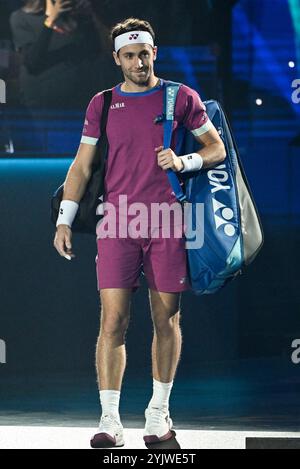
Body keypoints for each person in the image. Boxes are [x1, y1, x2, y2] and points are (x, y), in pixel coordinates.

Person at [53, 17, 226, 448]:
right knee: (113, 320)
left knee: (166, 319)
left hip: (167, 221)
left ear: (155, 52)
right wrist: (64, 219)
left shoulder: (180, 97)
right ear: (117, 59)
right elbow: (82, 165)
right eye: (129, 55)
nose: (138, 62)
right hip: (117, 222)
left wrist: (184, 163)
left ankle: (157, 416)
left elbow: (216, 148)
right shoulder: (103, 103)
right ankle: (109, 420)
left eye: (144, 53)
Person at [9, 0, 119, 109]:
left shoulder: (72, 14)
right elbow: (32, 62)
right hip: (46, 102)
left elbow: (99, 51)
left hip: (80, 95)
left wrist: (89, 16)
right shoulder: (20, 18)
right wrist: (51, 20)